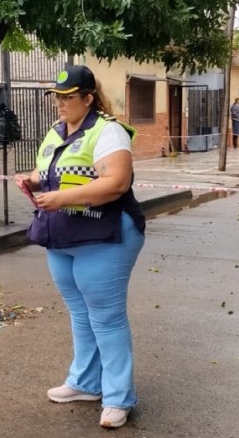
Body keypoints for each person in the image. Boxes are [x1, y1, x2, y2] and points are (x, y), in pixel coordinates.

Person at [15, 65, 146, 429]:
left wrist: (62, 197)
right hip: (63, 234)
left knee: (106, 316)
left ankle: (119, 397)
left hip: (104, 234)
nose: (60, 104)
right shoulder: (57, 131)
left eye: (68, 97)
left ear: (88, 98)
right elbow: (50, 171)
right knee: (79, 312)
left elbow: (116, 182)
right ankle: (86, 383)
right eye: (56, 97)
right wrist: (31, 178)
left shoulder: (108, 131)